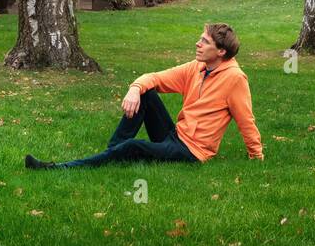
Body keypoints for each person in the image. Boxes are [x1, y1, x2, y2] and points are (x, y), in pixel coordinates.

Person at [24, 22, 263, 169]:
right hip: (175, 135)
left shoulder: (234, 79)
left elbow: (246, 120)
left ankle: (60, 168)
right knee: (146, 94)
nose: (197, 44)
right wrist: (135, 89)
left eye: (204, 42)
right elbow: (155, 78)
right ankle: (113, 153)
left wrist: (256, 155)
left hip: (191, 152)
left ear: (220, 51)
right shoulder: (197, 67)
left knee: (134, 146)